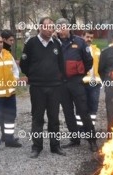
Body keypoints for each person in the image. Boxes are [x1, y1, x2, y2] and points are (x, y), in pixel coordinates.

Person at [20, 17, 66, 158]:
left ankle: (55, 146)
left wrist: (58, 78)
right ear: (40, 27)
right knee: (37, 118)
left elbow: (61, 64)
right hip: (37, 87)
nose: (50, 29)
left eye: (52, 27)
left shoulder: (57, 43)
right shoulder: (31, 43)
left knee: (54, 118)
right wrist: (34, 77)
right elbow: (24, 64)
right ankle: (37, 147)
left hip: (54, 87)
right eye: (46, 26)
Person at [55, 18, 97, 152]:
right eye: (59, 28)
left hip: (76, 82)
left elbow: (88, 61)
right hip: (61, 83)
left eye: (64, 27)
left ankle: (92, 140)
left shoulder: (79, 42)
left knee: (83, 111)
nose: (61, 30)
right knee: (68, 113)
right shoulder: (54, 43)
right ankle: (75, 139)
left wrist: (80, 75)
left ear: (68, 27)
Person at [80, 30, 102, 129]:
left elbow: (102, 66)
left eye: (91, 37)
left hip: (95, 83)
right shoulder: (78, 49)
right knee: (81, 107)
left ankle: (90, 128)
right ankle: (80, 129)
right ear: (82, 37)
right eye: (87, 37)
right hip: (82, 82)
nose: (89, 39)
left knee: (93, 107)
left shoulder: (97, 50)